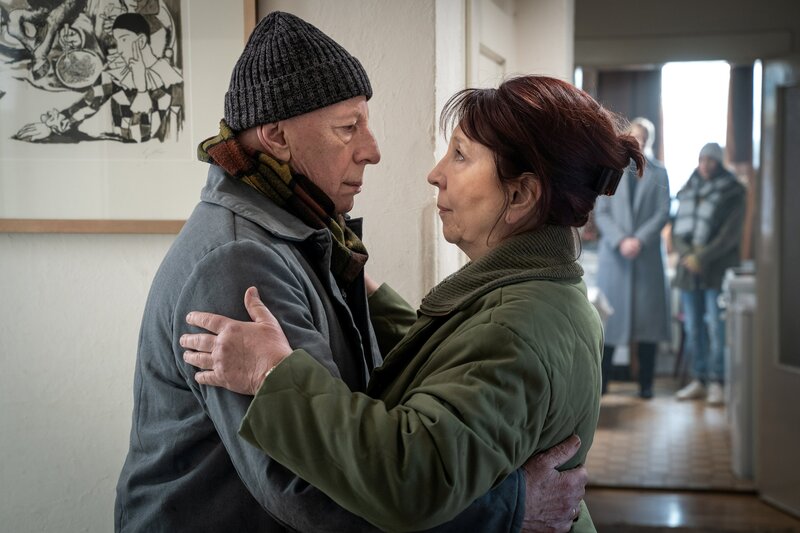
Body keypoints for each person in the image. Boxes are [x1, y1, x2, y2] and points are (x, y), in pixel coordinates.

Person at [114, 12, 589, 533]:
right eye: (348, 128)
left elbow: (417, 379)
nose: (373, 150)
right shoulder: (240, 265)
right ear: (276, 137)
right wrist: (511, 508)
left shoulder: (307, 236)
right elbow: (311, 489)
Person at [179, 74, 646, 532]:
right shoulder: (547, 292)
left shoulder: (515, 327)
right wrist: (368, 293)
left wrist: (271, 374)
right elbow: (459, 361)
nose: (435, 174)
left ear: (521, 195)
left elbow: (410, 476)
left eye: (460, 155)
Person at [15, 12, 182, 143]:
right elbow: (90, 101)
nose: (119, 49)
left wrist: (142, 89)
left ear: (141, 41)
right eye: (117, 41)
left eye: (124, 40)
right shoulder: (118, 72)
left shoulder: (168, 79)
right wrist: (52, 127)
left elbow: (139, 136)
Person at [594, 117, 671, 399]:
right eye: (635, 136)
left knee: (648, 326)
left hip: (646, 257)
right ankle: (602, 385)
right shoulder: (612, 168)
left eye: (644, 137)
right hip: (615, 258)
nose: (639, 142)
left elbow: (663, 212)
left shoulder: (659, 172)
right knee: (609, 323)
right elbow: (601, 213)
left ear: (650, 140)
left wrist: (638, 240)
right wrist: (621, 240)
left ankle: (646, 384)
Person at [672, 142, 746, 405]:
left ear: (719, 163)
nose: (705, 165)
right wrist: (687, 255)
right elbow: (677, 229)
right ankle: (699, 379)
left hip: (716, 269)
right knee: (693, 327)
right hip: (689, 271)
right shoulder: (688, 189)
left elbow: (729, 236)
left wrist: (700, 257)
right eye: (702, 159)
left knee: (717, 327)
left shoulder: (734, 190)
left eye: (711, 160)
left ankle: (718, 381)